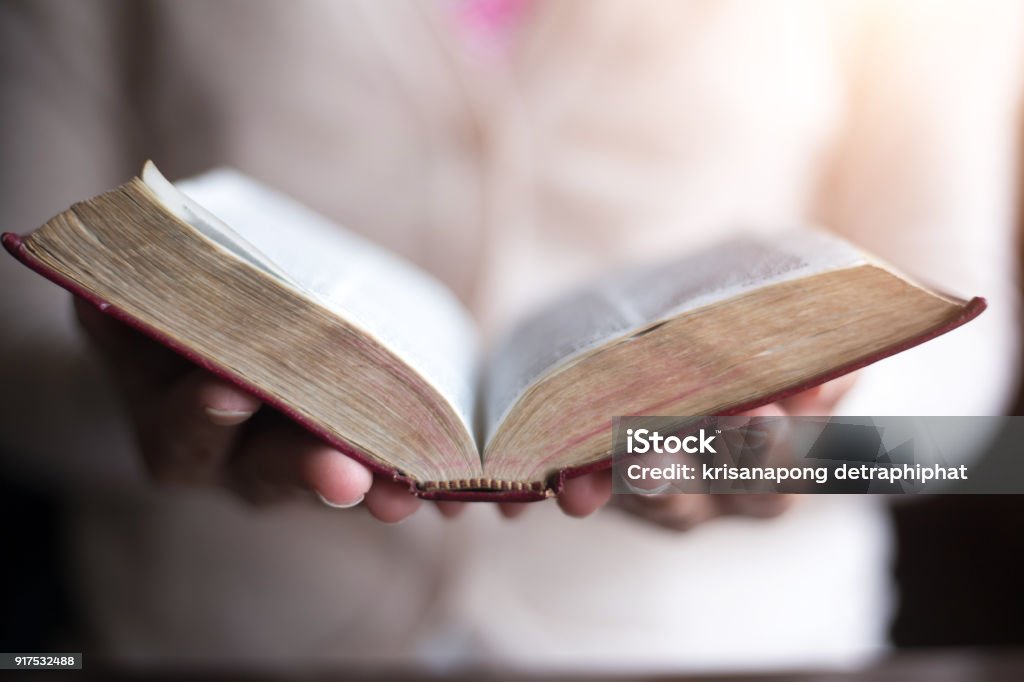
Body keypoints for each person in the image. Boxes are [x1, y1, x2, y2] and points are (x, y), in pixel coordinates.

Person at [0, 0, 1020, 672]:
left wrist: (794, 458)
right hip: (217, 644)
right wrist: (164, 409)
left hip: (735, 652)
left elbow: (957, 409)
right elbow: (18, 338)